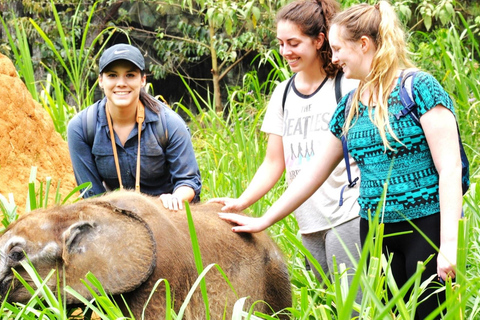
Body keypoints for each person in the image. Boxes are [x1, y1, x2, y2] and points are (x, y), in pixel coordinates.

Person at [219, 1, 462, 318]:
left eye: (337, 49)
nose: (333, 59)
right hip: (375, 231)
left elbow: (450, 168)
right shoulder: (350, 105)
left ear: (363, 45)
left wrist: (449, 245)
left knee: (429, 313)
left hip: (424, 226)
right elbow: (311, 174)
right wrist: (263, 218)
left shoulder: (418, 88)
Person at [210, 0, 362, 290]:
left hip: (348, 213)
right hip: (308, 219)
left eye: (293, 43)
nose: (285, 52)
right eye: (280, 43)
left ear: (319, 40)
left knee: (354, 306)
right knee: (326, 301)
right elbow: (274, 162)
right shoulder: (283, 93)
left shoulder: (347, 85)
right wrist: (243, 202)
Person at [67, 43, 201, 210]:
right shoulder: (81, 127)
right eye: (112, 75)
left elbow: (188, 181)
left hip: (166, 215)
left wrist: (175, 198)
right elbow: (92, 196)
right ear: (101, 81)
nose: (121, 83)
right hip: (113, 216)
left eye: (130, 75)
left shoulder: (169, 124)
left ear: (143, 80)